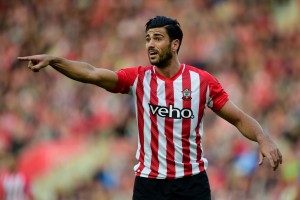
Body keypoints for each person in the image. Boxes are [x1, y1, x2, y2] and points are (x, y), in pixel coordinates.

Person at [18, 16, 282, 200]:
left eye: (157, 38)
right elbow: (92, 74)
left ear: (175, 44)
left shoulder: (201, 81)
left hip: (192, 183)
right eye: (147, 39)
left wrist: (263, 137)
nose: (150, 45)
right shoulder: (139, 78)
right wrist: (55, 60)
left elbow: (237, 117)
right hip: (149, 185)